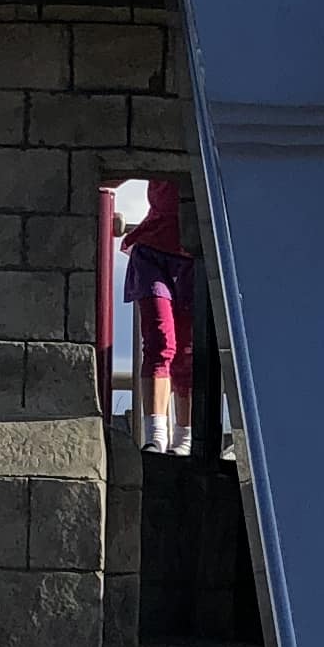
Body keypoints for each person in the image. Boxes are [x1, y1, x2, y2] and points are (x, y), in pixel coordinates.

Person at [118, 178, 195, 455]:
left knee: (188, 350)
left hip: (195, 255)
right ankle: (156, 435)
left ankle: (186, 436)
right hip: (153, 251)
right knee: (160, 341)